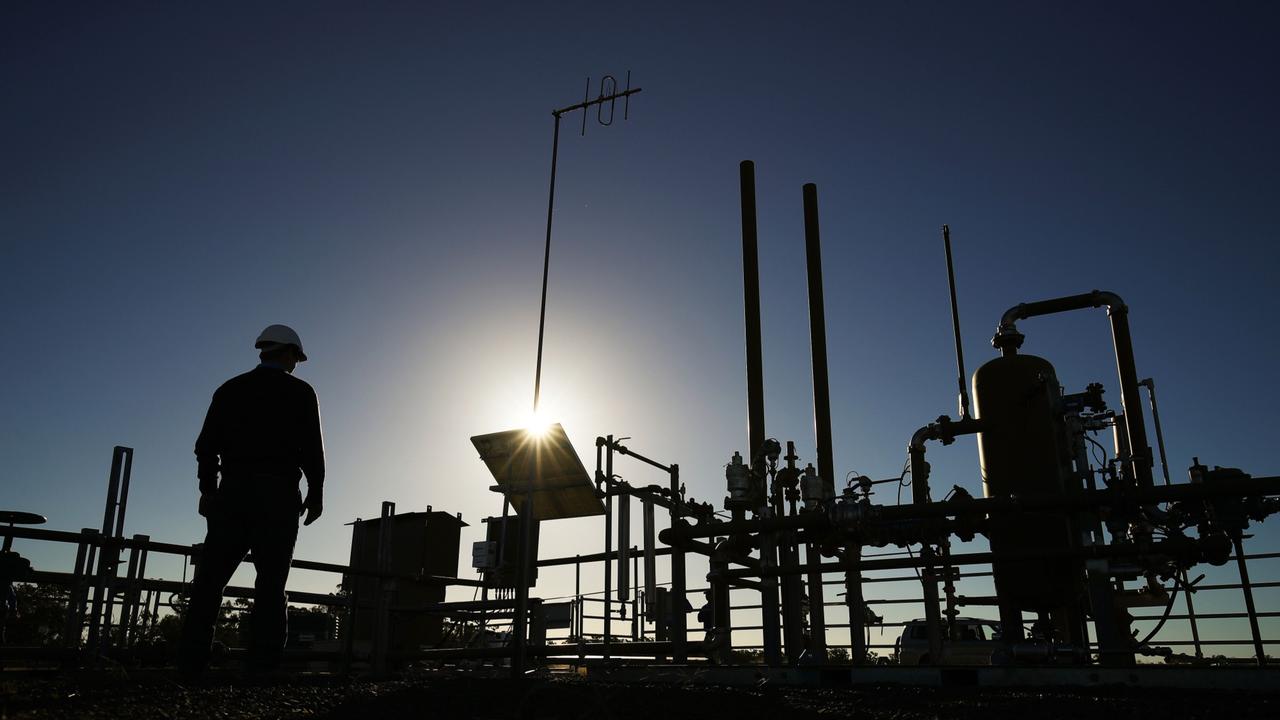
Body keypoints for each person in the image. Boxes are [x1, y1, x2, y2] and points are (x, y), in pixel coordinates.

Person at [178, 324, 325, 676]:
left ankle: (191, 665)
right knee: (271, 585)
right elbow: (312, 450)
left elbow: (206, 446)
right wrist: (316, 492)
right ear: (289, 352)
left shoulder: (230, 390)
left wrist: (208, 489)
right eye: (296, 358)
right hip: (278, 496)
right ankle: (262, 668)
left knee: (210, 582)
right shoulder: (301, 392)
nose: (296, 364)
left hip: (233, 493)